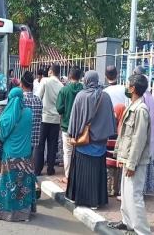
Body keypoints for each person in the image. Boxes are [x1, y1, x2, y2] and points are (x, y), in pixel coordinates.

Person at [108, 74, 152, 235]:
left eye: (128, 85)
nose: (126, 87)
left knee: (134, 196)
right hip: (127, 158)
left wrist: (131, 163)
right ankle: (127, 221)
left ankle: (142, 231)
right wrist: (119, 156)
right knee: (125, 194)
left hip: (135, 161)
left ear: (133, 88)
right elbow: (124, 135)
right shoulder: (133, 106)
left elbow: (139, 140)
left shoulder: (141, 110)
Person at [65, 70, 115, 208]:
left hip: (84, 142)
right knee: (97, 173)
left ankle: (81, 199)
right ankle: (96, 201)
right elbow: (110, 119)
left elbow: (74, 118)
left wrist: (73, 135)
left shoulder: (81, 96)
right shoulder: (105, 96)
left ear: (86, 80)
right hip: (100, 143)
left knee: (83, 173)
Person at [0, 87, 37, 222]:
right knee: (22, 187)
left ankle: (4, 213)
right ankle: (23, 215)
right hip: (25, 157)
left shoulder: (5, 116)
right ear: (22, 98)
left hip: (8, 157)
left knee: (8, 186)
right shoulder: (29, 113)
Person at [34, 64, 64, 176]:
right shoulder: (62, 86)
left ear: (51, 71)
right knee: (52, 145)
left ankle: (37, 169)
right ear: (58, 73)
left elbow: (37, 97)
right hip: (56, 120)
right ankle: (50, 169)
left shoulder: (45, 81)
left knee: (40, 145)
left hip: (44, 118)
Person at [133, 66, 154, 194]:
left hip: (143, 135)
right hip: (150, 134)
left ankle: (139, 190)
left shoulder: (143, 98)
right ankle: (143, 188)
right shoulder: (149, 95)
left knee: (139, 163)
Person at [56, 66, 83, 183]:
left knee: (67, 152)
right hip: (82, 127)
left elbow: (59, 108)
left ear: (70, 76)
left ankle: (68, 176)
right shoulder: (84, 90)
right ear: (81, 76)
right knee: (80, 151)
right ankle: (78, 175)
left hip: (67, 126)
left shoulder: (64, 90)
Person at [20, 71, 43, 198]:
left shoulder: (20, 100)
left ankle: (29, 188)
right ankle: (34, 185)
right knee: (30, 164)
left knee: (22, 167)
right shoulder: (38, 101)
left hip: (21, 140)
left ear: (22, 84)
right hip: (34, 139)